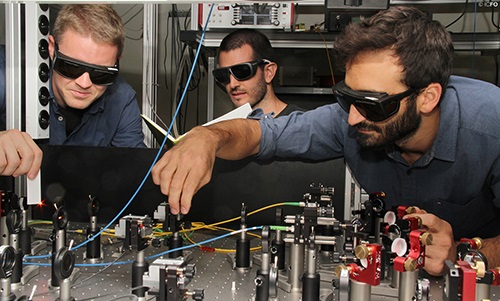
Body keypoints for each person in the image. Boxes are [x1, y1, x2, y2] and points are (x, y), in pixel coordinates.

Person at [152, 6, 500, 277]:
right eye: (347, 98)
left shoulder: (491, 126)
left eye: (372, 104)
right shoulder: (350, 118)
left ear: (427, 98)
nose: (352, 119)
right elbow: (265, 134)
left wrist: (465, 252)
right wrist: (208, 136)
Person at [0, 4, 145, 178]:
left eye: (100, 73)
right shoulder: (7, 78)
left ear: (117, 62)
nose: (84, 83)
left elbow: (134, 174)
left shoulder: (121, 99)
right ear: (51, 48)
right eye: (71, 67)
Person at [214, 29, 303, 117]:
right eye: (223, 74)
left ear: (268, 72)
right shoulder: (229, 129)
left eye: (242, 71)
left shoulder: (301, 125)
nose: (232, 84)